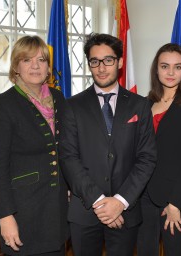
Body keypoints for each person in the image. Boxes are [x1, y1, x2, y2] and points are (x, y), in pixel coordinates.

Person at [59, 33, 157, 256]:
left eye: (108, 60)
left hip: (126, 211)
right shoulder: (72, 106)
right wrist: (101, 202)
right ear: (89, 65)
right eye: (95, 61)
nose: (101, 68)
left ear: (120, 62)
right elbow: (68, 158)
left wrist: (120, 202)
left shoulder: (140, 105)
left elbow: (147, 157)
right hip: (85, 210)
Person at [0, 35, 69, 255]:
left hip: (57, 212)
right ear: (16, 66)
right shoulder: (2, 105)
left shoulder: (59, 98)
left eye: (41, 60)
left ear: (48, 67)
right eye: (27, 60)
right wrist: (5, 216)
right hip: (23, 212)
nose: (35, 66)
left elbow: (65, 150)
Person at [136, 43, 181, 256]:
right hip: (144, 197)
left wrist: (175, 203)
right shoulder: (145, 104)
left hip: (178, 200)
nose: (170, 72)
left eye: (177, 67)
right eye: (165, 66)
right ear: (156, 70)